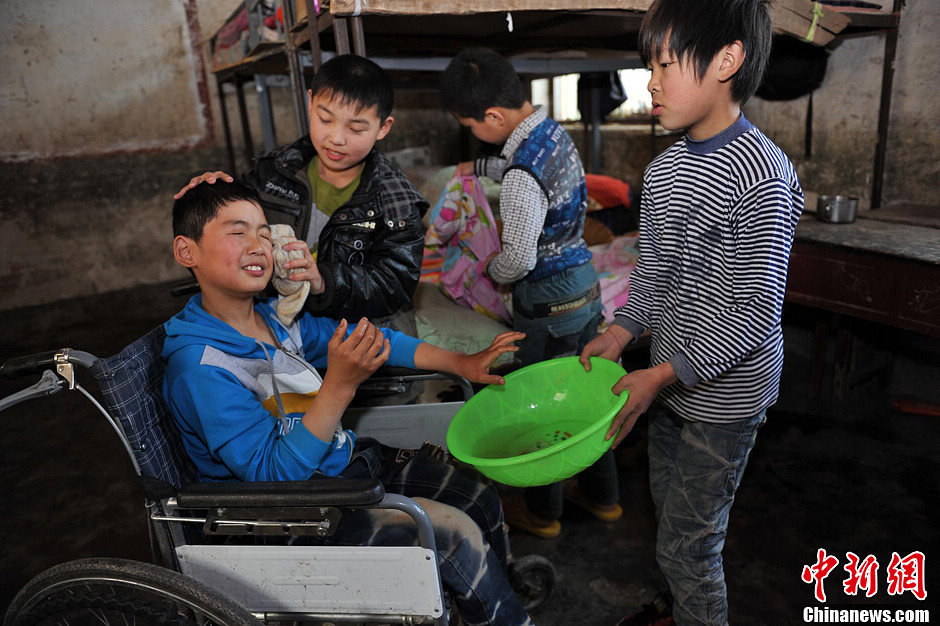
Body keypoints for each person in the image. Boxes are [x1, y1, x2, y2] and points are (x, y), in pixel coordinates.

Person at [162, 179, 533, 626]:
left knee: (481, 498)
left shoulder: (274, 321)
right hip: (288, 516)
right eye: (237, 232)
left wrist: (460, 362)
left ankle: (494, 597)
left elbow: (370, 340)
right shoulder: (201, 367)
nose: (258, 245)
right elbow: (274, 476)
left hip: (340, 471)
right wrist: (338, 387)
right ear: (188, 253)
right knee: (454, 533)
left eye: (265, 232)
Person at [578, 0, 803, 624]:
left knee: (689, 546)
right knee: (669, 516)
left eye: (667, 64)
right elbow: (653, 275)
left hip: (727, 396)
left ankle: (696, 609)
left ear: (727, 60)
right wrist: (622, 332)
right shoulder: (665, 169)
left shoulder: (761, 175)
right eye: (648, 65)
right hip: (672, 388)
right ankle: (678, 608)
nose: (650, 82)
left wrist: (660, 374)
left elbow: (753, 316)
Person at [440, 47, 620, 539]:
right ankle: (605, 499)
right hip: (584, 285)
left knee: (543, 403)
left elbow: (519, 256)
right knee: (588, 393)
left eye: (472, 126)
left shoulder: (521, 178)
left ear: (493, 116)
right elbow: (530, 171)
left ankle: (543, 513)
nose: (474, 133)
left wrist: (486, 266)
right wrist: (474, 171)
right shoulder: (552, 133)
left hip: (545, 296)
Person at [175, 54, 427, 336]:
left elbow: (395, 286)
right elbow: (224, 238)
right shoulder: (274, 172)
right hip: (267, 323)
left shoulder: (398, 202)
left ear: (383, 127)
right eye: (325, 119)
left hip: (349, 334)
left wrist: (323, 281)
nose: (336, 138)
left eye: (356, 128)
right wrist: (212, 190)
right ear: (309, 103)